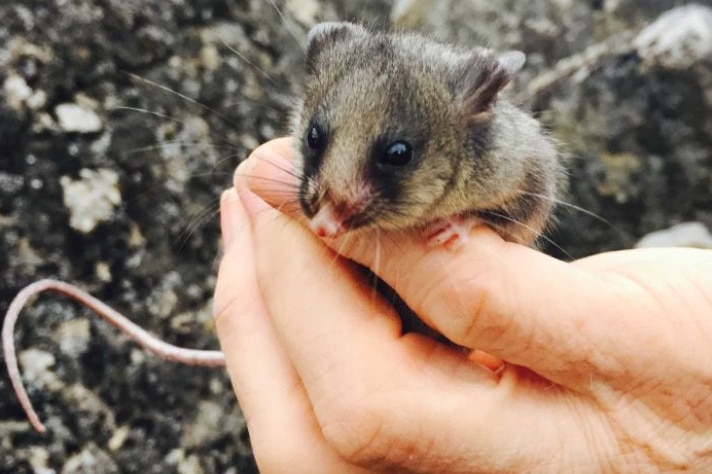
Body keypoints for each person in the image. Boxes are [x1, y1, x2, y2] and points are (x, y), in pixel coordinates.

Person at [213, 138, 712, 472]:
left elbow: (531, 190)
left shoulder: (498, 155)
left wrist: (476, 223)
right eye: (318, 139)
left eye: (398, 154)